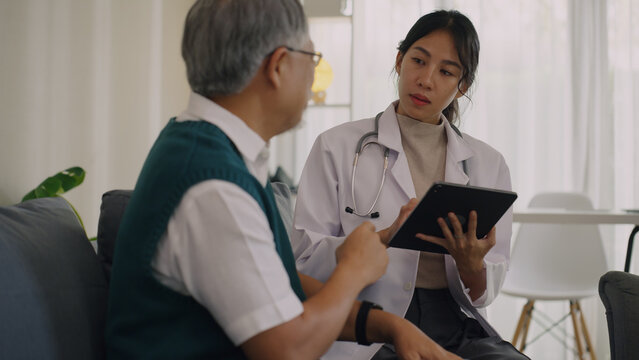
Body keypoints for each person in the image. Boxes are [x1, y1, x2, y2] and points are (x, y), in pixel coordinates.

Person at [105, 1, 460, 359]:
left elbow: (282, 288)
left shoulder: (203, 147)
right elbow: (288, 352)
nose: (313, 75)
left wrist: (390, 326)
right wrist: (353, 271)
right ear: (278, 66)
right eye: (312, 57)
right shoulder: (215, 189)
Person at [291, 10, 529, 360]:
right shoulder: (335, 146)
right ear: (400, 61)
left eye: (446, 71)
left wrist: (471, 265)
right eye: (418, 61)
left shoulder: (488, 163)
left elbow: (483, 293)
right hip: (365, 321)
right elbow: (304, 261)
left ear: (462, 86)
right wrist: (380, 239)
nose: (426, 79)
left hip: (454, 322)